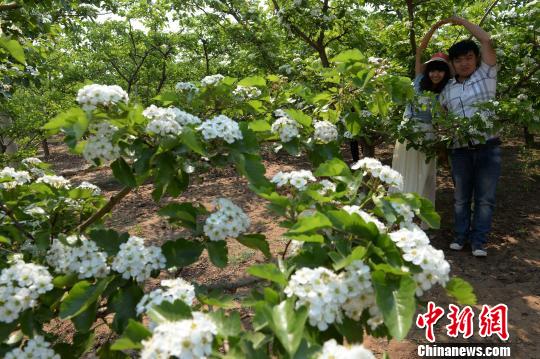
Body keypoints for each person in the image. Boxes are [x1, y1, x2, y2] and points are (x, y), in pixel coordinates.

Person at [439, 16, 499, 257]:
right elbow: (441, 118)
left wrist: (458, 21)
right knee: (461, 198)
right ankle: (460, 236)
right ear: (452, 64)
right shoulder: (447, 89)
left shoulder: (487, 75)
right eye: (458, 60)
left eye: (468, 58)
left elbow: (485, 39)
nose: (464, 63)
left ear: (476, 59)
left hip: (488, 147)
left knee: (485, 199)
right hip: (460, 149)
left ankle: (479, 242)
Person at [392, 20, 451, 207]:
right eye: (433, 69)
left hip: (427, 134)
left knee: (425, 174)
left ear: (446, 73)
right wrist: (433, 28)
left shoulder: (445, 91)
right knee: (403, 169)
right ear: (428, 70)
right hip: (407, 130)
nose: (436, 74)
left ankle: (422, 213)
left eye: (441, 71)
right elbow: (419, 51)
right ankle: (400, 208)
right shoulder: (418, 80)